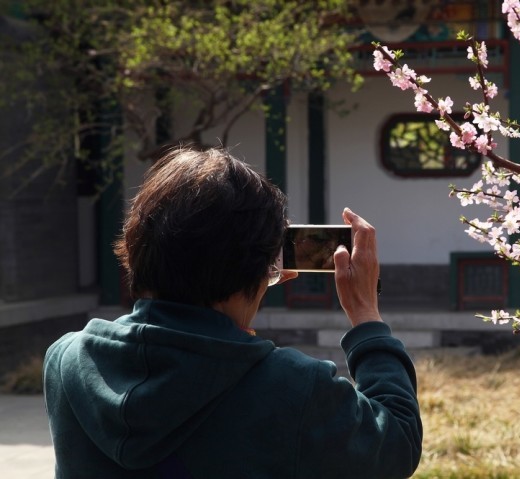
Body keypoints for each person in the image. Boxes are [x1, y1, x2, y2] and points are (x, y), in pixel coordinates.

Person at [43, 147, 422, 479]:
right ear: (256, 267)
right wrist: (366, 315)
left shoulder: (66, 361)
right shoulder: (292, 388)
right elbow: (397, 443)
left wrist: (256, 277)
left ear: (136, 246)